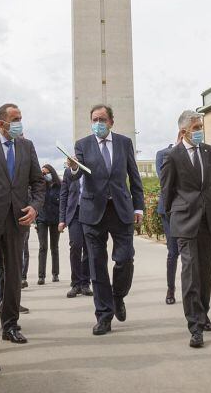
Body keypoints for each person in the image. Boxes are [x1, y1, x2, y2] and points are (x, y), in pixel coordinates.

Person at [64, 104, 145, 335]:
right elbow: (76, 175)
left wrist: (138, 207)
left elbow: (134, 177)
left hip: (121, 210)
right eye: (94, 119)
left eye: (101, 119)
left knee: (125, 258)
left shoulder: (124, 143)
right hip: (92, 213)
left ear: (111, 121)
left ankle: (118, 296)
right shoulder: (82, 145)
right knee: (97, 266)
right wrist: (71, 168)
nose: (97, 123)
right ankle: (104, 315)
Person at [0, 103, 44, 351]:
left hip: (18, 220)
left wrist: (35, 207)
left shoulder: (27, 146)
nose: (20, 123)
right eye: (15, 119)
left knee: (13, 276)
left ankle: (11, 326)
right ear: (1, 123)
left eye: (21, 118)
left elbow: (38, 182)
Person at [160, 110, 211, 348]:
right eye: (196, 128)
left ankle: (203, 312)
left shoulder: (210, 151)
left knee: (206, 271)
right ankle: (194, 326)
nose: (199, 131)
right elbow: (167, 190)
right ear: (184, 131)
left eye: (200, 127)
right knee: (190, 273)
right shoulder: (172, 156)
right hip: (185, 221)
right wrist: (176, 214)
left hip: (208, 220)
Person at [59, 165, 92, 298]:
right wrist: (62, 219)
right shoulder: (68, 172)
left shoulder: (91, 169)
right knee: (75, 246)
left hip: (90, 213)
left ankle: (85, 283)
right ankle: (76, 283)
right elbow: (63, 196)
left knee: (89, 249)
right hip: (74, 214)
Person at [155, 137, 180, 305]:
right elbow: (164, 179)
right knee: (173, 251)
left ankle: (192, 290)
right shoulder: (163, 154)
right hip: (169, 209)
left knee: (190, 253)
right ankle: (170, 289)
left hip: (190, 209)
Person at [35, 164, 62, 284]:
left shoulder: (59, 186)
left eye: (46, 173)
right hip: (42, 219)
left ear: (52, 172)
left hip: (55, 220)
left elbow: (62, 204)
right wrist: (35, 220)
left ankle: (55, 274)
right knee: (43, 247)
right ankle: (41, 276)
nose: (45, 175)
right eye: (43, 174)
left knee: (54, 247)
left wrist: (62, 220)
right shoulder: (40, 187)